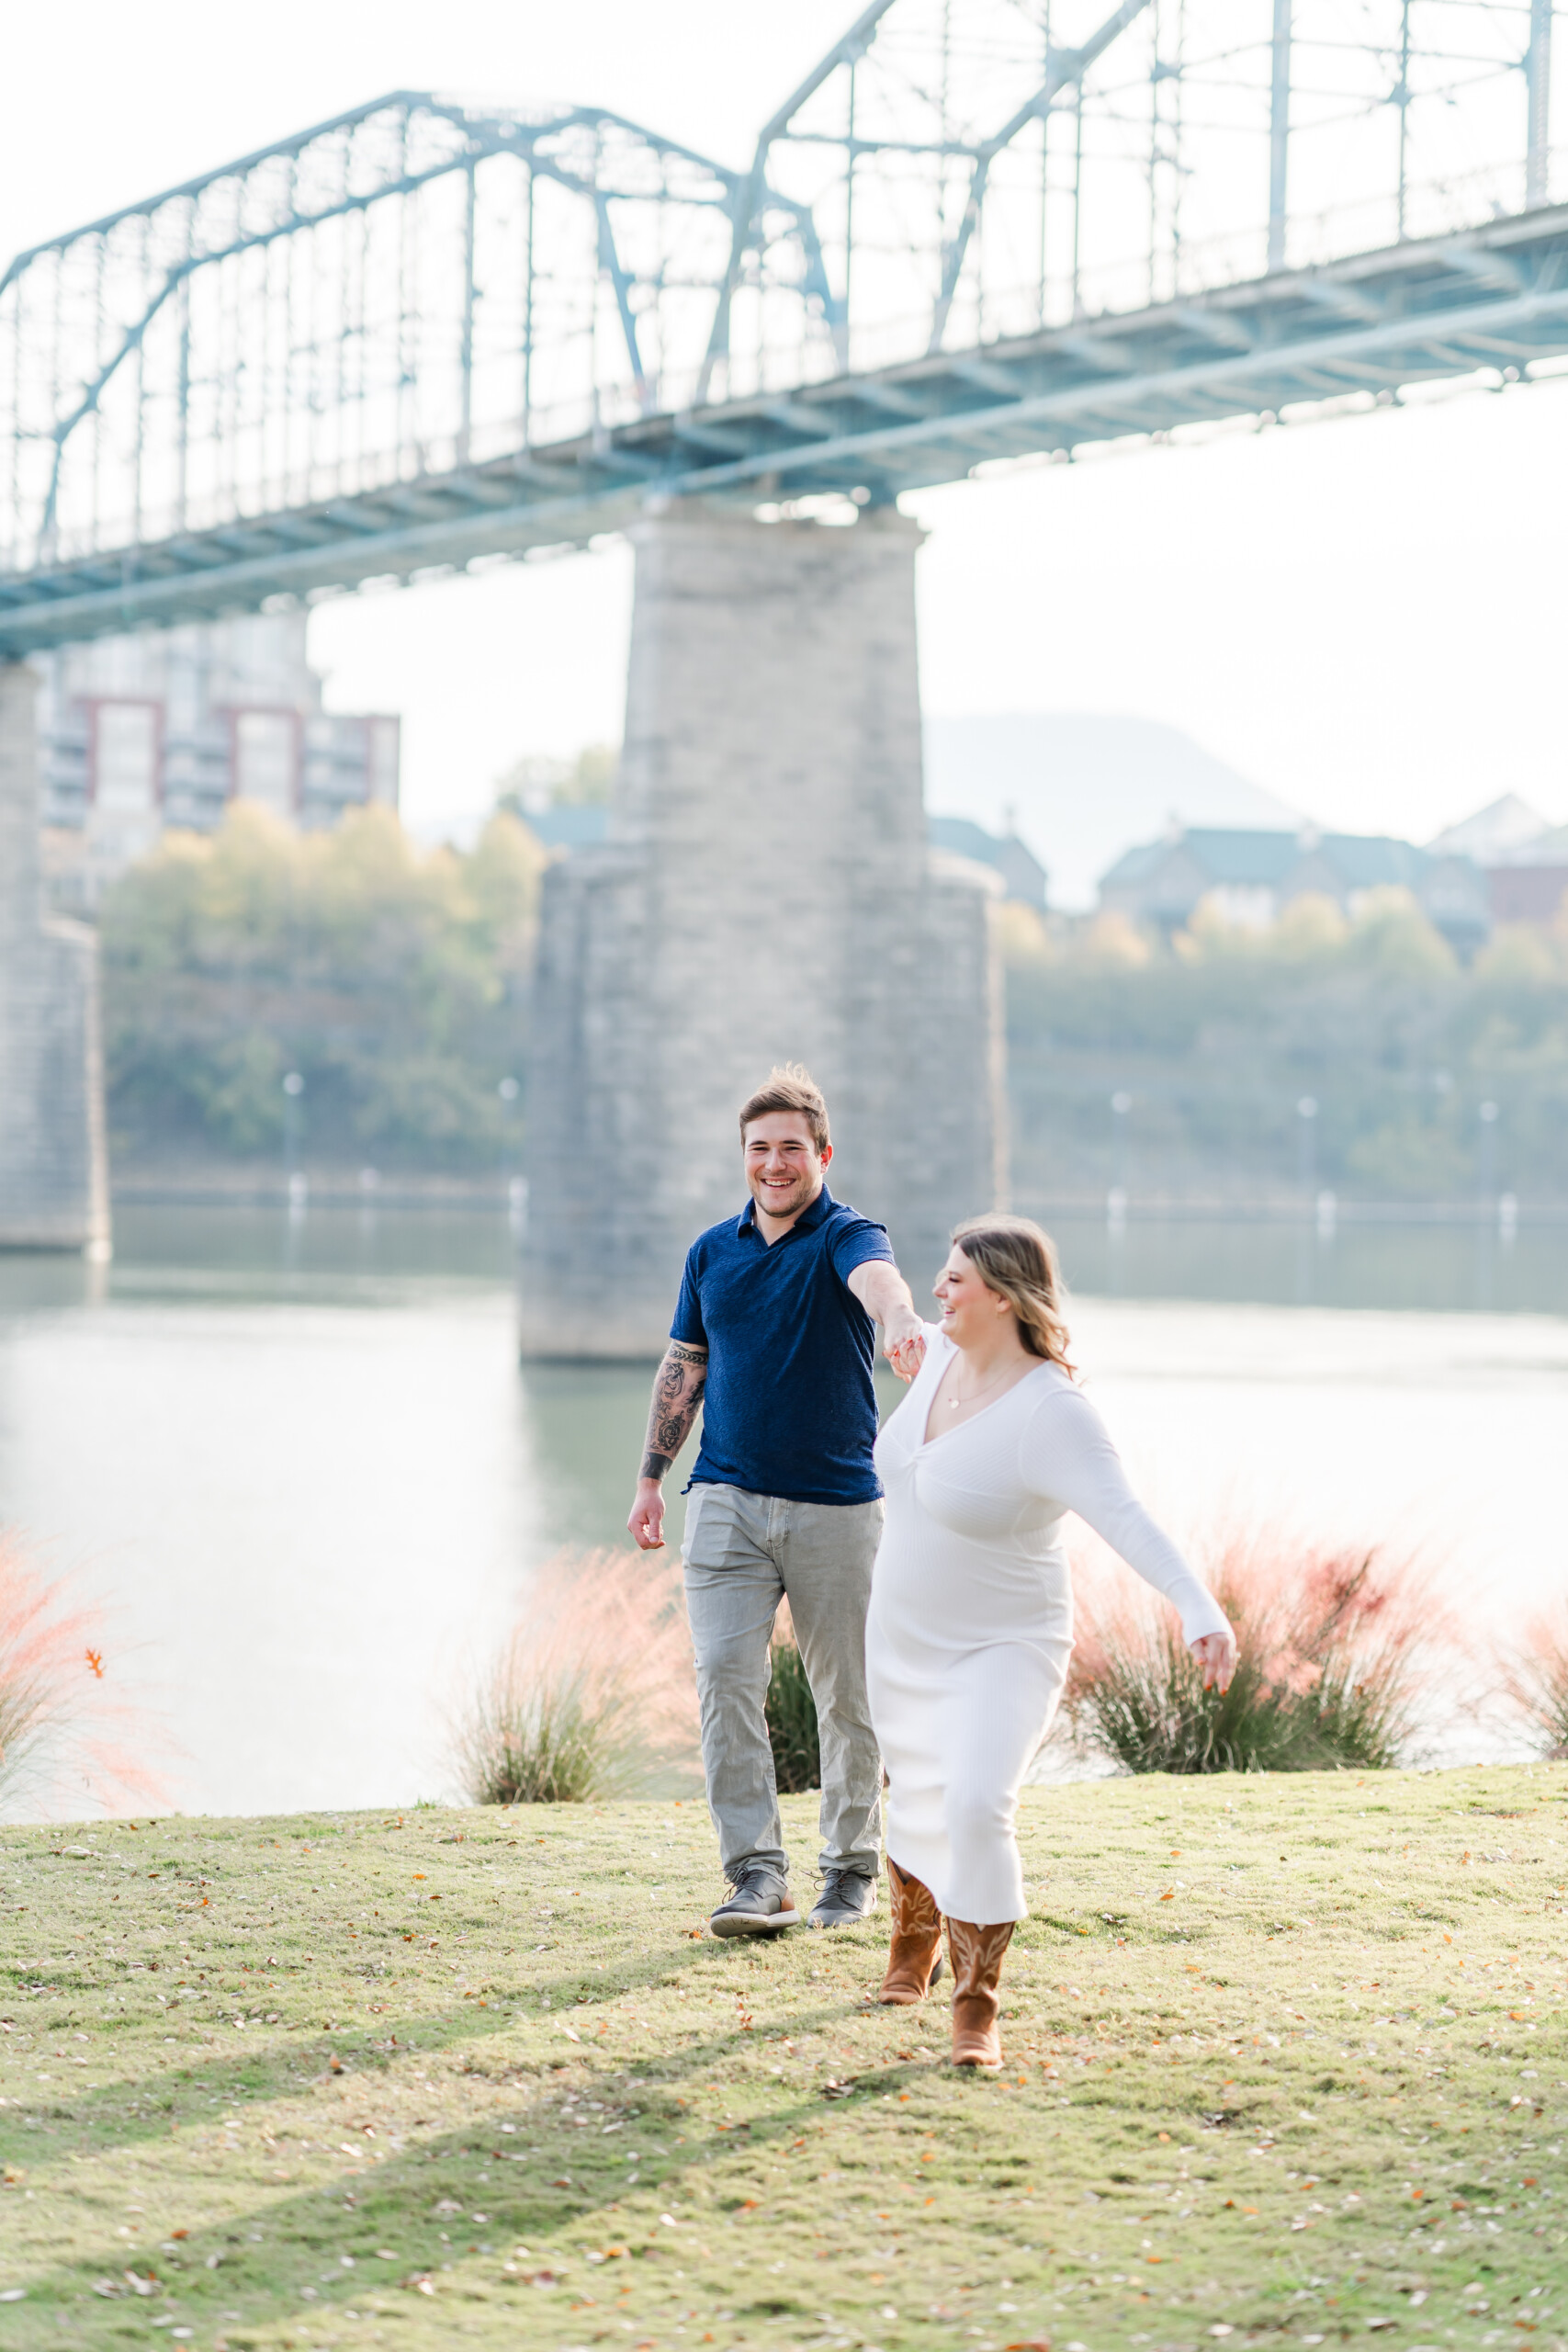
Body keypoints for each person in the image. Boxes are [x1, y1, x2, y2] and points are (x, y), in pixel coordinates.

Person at [865, 1213, 1237, 2069]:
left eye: (954, 1279)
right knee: (916, 1790)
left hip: (1005, 1644)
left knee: (976, 1803)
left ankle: (975, 2006)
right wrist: (881, 1299)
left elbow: (1125, 1517)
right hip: (902, 1634)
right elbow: (879, 1294)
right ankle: (911, 1943)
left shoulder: (1052, 1412)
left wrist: (1198, 1606)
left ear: (1000, 1294)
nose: (938, 1291)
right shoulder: (932, 1360)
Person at [627, 1064, 927, 1939]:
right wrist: (650, 1477)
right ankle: (756, 1875)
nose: (773, 1164)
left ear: (822, 1154)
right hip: (722, 1499)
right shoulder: (711, 1251)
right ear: (744, 1158)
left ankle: (849, 1870)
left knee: (846, 1696)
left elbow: (881, 1283)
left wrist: (900, 1322)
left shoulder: (846, 1235)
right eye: (758, 1149)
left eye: (791, 1148)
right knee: (724, 1681)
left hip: (836, 1509)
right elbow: (685, 1365)